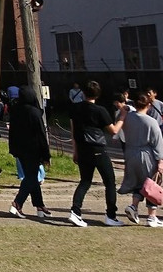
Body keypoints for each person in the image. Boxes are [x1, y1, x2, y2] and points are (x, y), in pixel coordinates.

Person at [69, 80, 125, 226]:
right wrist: (122, 118)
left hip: (82, 148)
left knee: (85, 181)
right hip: (97, 149)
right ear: (98, 94)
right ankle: (110, 215)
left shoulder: (75, 109)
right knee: (110, 182)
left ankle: (75, 211)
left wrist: (75, 151)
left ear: (82, 93)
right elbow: (113, 130)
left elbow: (73, 131)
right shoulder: (100, 110)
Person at [117, 90, 163, 227]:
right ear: (148, 105)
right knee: (151, 183)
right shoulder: (151, 121)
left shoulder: (127, 118)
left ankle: (134, 206)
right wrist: (160, 160)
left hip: (130, 152)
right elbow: (158, 142)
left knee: (138, 183)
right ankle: (151, 216)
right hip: (146, 154)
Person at [8, 85, 52, 219]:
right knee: (31, 177)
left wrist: (13, 149)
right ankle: (17, 203)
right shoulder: (34, 112)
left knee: (31, 176)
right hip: (33, 149)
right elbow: (41, 135)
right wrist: (46, 155)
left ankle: (40, 206)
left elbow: (12, 132)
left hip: (20, 149)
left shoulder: (15, 111)